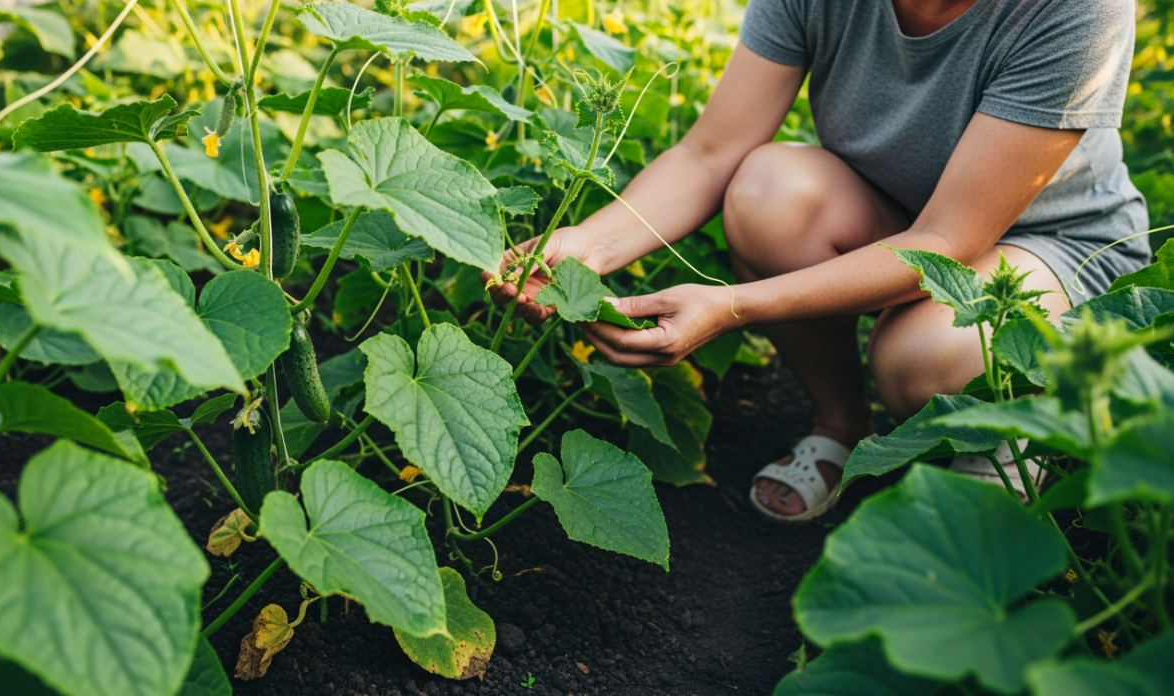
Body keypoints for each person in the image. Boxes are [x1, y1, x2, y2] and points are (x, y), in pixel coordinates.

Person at [486, 0, 1152, 521]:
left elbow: (947, 240)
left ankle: (1017, 435)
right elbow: (710, 154)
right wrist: (589, 245)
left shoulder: (1078, 10)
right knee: (767, 193)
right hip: (898, 209)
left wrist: (733, 306)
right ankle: (842, 423)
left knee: (923, 359)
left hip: (1053, 245)